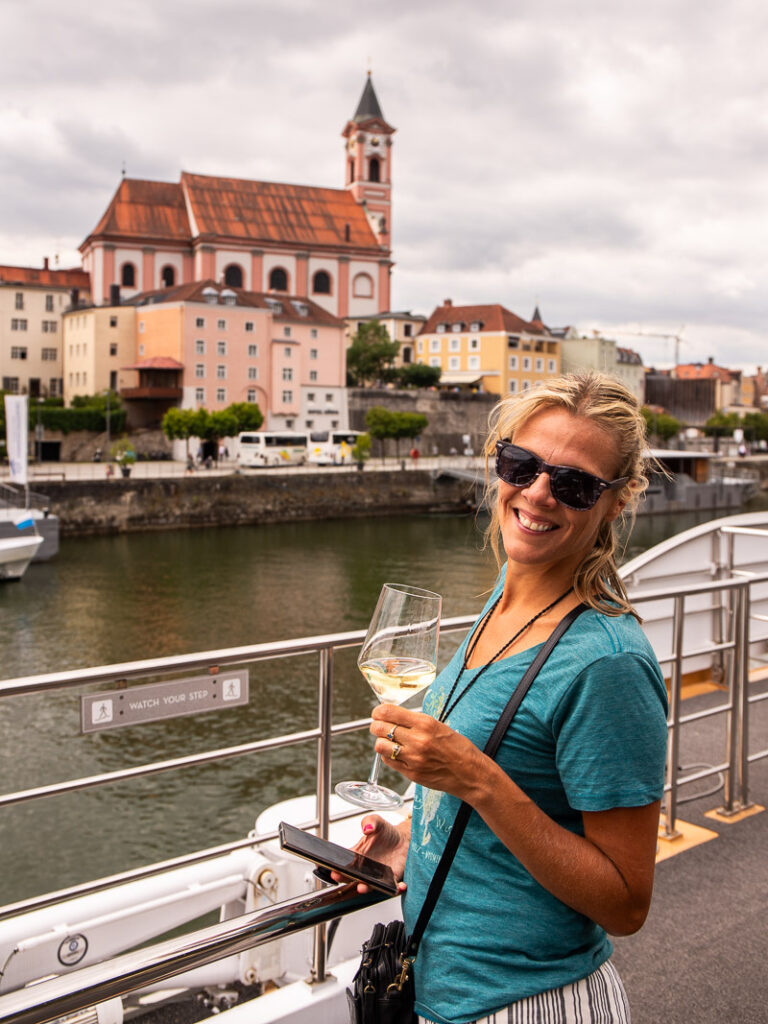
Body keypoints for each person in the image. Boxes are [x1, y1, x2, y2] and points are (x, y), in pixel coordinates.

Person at [342, 373, 669, 1024]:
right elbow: (501, 790)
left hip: (532, 1003)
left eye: (574, 484)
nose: (539, 492)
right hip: (445, 991)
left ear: (616, 502)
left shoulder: (607, 664)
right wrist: (407, 838)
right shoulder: (505, 598)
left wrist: (481, 781)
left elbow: (627, 903)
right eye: (521, 464)